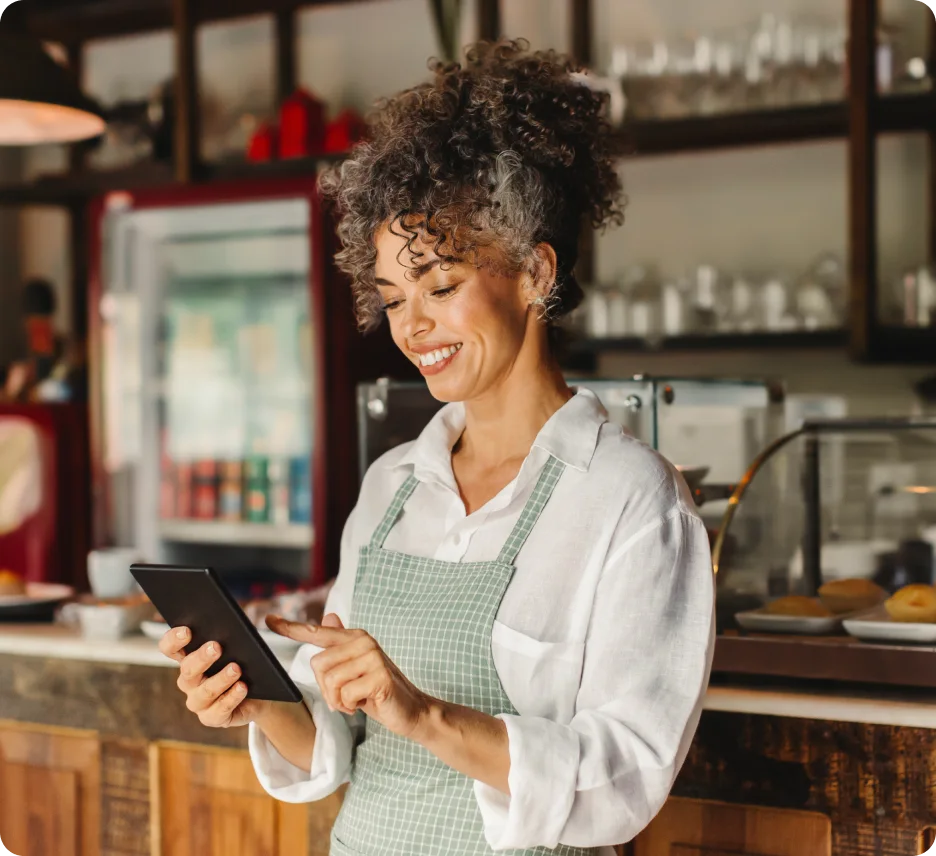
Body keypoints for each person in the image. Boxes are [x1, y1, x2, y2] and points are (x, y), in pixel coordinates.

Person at [159, 40, 715, 855]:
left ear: (533, 272)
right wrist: (258, 700)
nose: (412, 327)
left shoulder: (630, 499)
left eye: (442, 287)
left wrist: (424, 714)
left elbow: (624, 775)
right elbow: (339, 749)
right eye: (392, 298)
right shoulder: (393, 488)